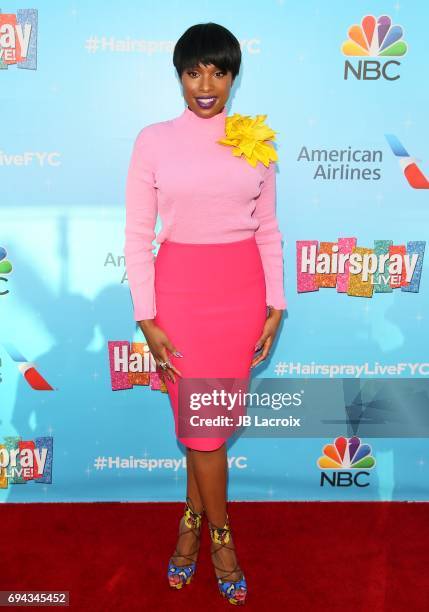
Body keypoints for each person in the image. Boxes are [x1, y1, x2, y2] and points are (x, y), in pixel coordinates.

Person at [124, 22, 286, 606]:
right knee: (206, 434)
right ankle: (221, 539)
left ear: (234, 77)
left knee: (205, 432)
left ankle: (190, 525)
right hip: (181, 298)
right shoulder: (153, 140)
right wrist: (147, 319)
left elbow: (267, 229)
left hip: (241, 296)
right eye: (194, 71)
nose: (206, 84)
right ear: (179, 76)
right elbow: (139, 235)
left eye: (218, 71)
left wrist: (276, 303)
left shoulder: (254, 140)